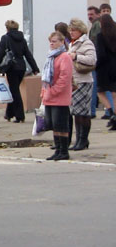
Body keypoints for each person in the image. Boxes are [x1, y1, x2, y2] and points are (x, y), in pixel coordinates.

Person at [0, 20, 38, 123]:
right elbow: (27, 54)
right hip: (21, 68)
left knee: (14, 91)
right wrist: (35, 68)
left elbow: (0, 53)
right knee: (14, 90)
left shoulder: (5, 38)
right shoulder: (22, 39)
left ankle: (20, 116)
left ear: (7, 28)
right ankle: (9, 114)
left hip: (11, 68)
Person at [41, 31, 73, 161]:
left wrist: (53, 91)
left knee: (61, 124)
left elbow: (64, 78)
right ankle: (58, 149)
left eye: (54, 41)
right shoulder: (51, 57)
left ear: (61, 42)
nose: (51, 44)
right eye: (50, 41)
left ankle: (64, 151)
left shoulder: (65, 57)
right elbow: (46, 77)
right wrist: (44, 92)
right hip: (49, 96)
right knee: (54, 125)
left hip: (60, 97)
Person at [67, 18, 97, 151]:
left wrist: (76, 57)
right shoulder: (73, 43)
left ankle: (82, 139)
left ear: (80, 30)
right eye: (70, 30)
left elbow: (92, 60)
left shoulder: (86, 42)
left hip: (83, 80)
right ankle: (80, 139)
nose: (71, 32)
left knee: (82, 112)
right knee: (77, 112)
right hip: (74, 81)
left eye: (74, 30)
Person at [95, 13, 116, 131]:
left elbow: (101, 54)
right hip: (115, 67)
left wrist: (96, 65)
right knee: (114, 94)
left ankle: (110, 112)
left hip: (104, 68)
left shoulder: (100, 36)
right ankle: (115, 117)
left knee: (100, 91)